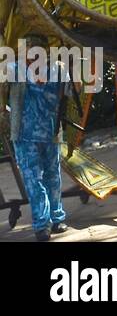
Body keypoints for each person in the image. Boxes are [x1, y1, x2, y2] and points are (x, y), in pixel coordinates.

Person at [1, 35, 75, 240]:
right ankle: (42, 224)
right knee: (33, 178)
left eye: (35, 51)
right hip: (25, 135)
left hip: (51, 132)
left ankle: (57, 217)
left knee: (53, 175)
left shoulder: (58, 69)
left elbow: (68, 94)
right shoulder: (13, 68)